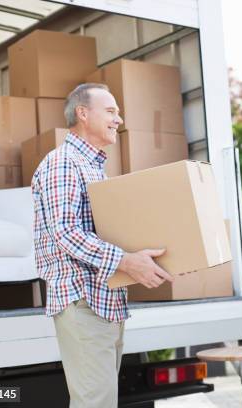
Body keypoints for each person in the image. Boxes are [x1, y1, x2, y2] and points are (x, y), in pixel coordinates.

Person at [32, 83, 173, 408]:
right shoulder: (63, 163)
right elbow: (66, 232)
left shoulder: (94, 168)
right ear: (83, 113)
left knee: (101, 402)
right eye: (110, 111)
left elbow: (110, 235)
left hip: (105, 302)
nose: (118, 120)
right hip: (84, 301)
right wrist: (126, 261)